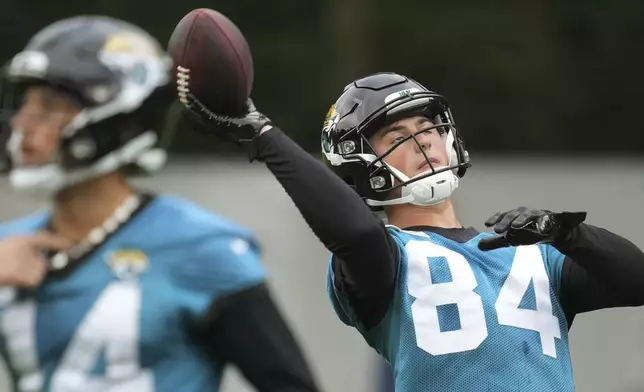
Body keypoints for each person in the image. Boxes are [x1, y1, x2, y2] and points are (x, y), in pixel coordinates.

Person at [181, 71, 644, 391]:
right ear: (361, 166)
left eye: (426, 125)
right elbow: (359, 235)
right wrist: (263, 136)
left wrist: (566, 234)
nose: (421, 138)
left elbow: (635, 278)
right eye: (395, 135)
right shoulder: (387, 257)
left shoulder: (533, 252)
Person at [0, 15, 319, 392]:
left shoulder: (201, 248)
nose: (24, 122)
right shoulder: (9, 248)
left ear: (120, 114)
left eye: (50, 104)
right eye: (26, 103)